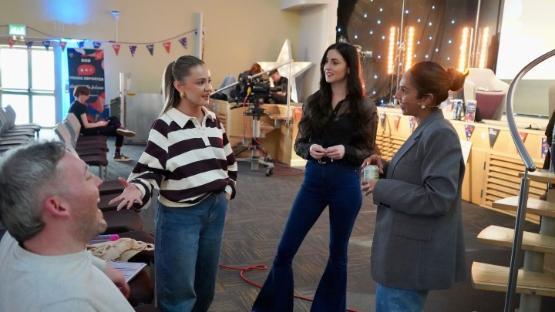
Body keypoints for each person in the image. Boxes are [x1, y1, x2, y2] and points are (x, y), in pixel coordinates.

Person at [252, 42, 378, 312]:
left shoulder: (364, 107)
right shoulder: (314, 101)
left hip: (345, 183)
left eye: (335, 62)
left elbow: (368, 150)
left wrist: (346, 151)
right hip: (312, 183)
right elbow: (299, 144)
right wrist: (309, 149)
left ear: (349, 68)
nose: (327, 67)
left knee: (338, 255)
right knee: (285, 251)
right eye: (326, 62)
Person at [109, 55, 238, 312]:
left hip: (215, 210)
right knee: (178, 295)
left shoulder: (213, 120)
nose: (209, 87)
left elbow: (229, 161)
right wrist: (138, 187)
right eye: (200, 82)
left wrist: (227, 189)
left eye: (209, 81)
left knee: (205, 288)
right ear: (180, 86)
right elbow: (149, 168)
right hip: (181, 217)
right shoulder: (165, 125)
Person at [361, 61, 467, 312]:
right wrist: (384, 166)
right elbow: (416, 175)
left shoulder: (440, 133)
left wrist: (380, 187)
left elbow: (437, 198)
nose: (397, 96)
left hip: (411, 258)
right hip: (403, 251)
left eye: (404, 90)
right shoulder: (427, 127)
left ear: (426, 98)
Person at [0, 141, 133, 311]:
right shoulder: (68, 304)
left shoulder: (18, 235)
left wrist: (102, 267)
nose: (99, 181)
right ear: (57, 206)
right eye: (87, 176)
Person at [69, 85, 136, 161]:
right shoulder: (80, 107)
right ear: (81, 94)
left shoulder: (75, 105)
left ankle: (120, 128)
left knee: (113, 118)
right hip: (88, 131)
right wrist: (99, 124)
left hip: (87, 130)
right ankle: (117, 154)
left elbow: (85, 122)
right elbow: (86, 125)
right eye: (86, 95)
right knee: (119, 132)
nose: (87, 98)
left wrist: (99, 122)